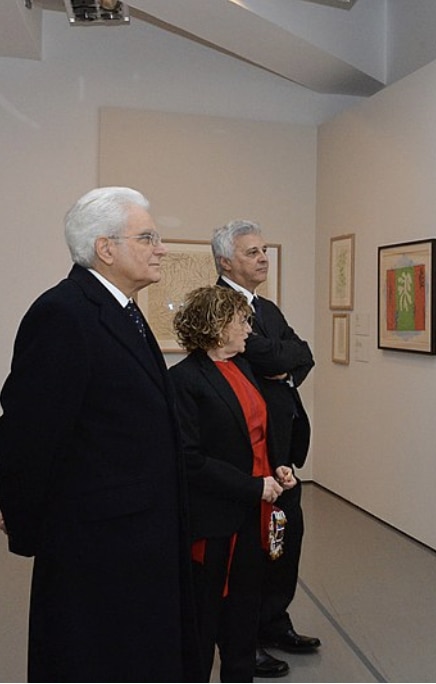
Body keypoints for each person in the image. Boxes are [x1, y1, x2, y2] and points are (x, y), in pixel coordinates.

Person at [0, 187, 201, 681]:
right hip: (96, 546)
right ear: (105, 249)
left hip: (140, 536)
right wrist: (24, 523)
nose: (162, 248)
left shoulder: (123, 311)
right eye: (148, 236)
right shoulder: (64, 313)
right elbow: (30, 432)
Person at [170, 286, 298, 682]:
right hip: (216, 518)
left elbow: (259, 429)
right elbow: (190, 460)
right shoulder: (184, 380)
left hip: (256, 509)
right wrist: (252, 486)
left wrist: (279, 467)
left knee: (244, 610)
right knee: (204, 617)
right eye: (242, 321)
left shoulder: (242, 367)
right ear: (216, 326)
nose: (249, 329)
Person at [212, 219, 319, 678]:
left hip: (283, 448)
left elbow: (302, 354)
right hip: (248, 450)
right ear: (225, 261)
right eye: (251, 252)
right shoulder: (220, 308)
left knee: (285, 539)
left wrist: (283, 364)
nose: (262, 258)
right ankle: (245, 639)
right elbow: (276, 357)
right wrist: (279, 359)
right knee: (251, 550)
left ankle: (275, 621)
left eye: (264, 250)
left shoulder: (267, 308)